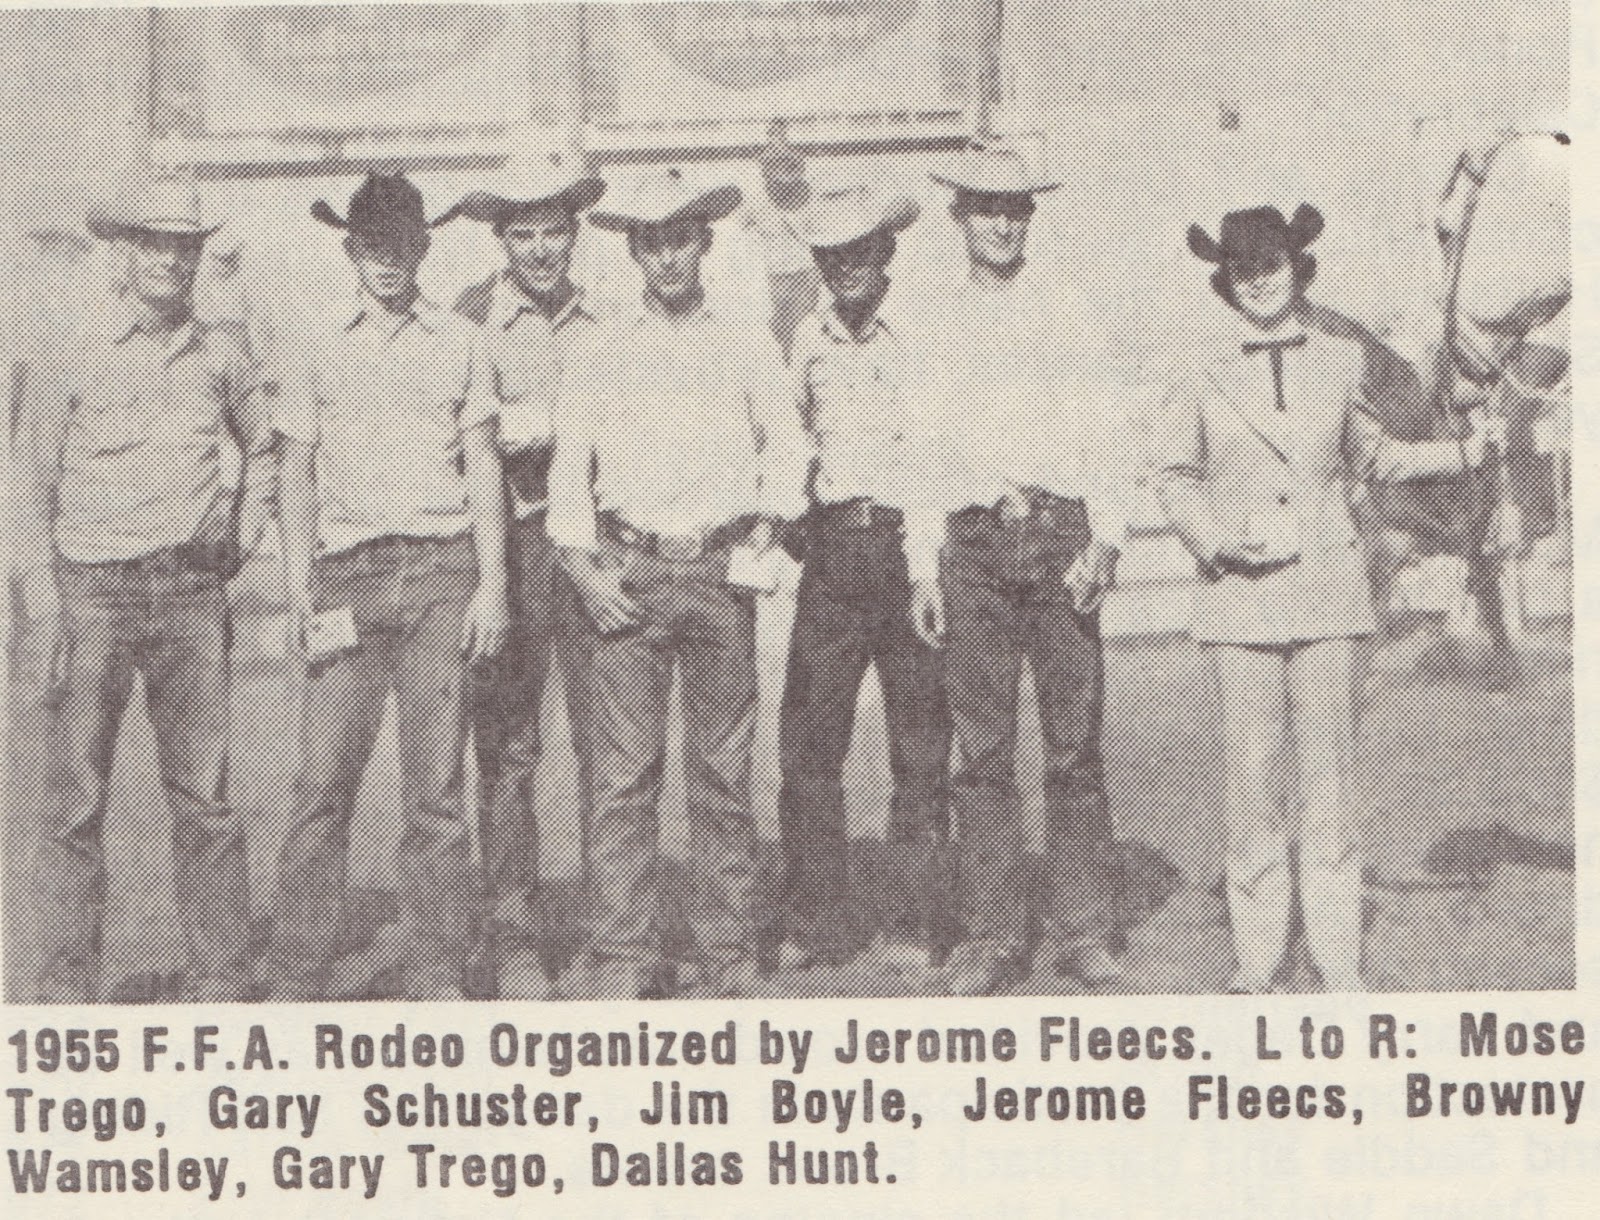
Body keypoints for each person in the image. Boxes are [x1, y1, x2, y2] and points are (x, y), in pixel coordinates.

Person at [1157, 203, 1500, 992]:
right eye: (1243, 270)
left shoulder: (1342, 359)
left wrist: (1462, 451)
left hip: (1328, 599)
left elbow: (1375, 458)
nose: (1259, 281)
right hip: (1238, 601)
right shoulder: (1198, 368)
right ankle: (1258, 961)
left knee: (1331, 789)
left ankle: (1339, 962)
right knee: (1250, 788)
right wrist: (1213, 540)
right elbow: (1173, 476)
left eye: (1271, 265)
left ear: (1295, 269)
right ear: (1226, 281)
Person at [548, 167, 809, 999]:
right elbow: (568, 473)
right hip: (627, 575)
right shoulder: (599, 346)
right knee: (624, 781)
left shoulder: (743, 338)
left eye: (680, 239)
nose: (666, 257)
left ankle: (727, 951)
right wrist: (586, 571)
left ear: (703, 243)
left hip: (716, 575)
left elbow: (786, 442)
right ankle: (624, 956)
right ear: (633, 250)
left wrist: (767, 524)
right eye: (651, 242)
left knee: (724, 776)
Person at [13, 176, 273, 1002]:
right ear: (123, 253)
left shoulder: (223, 352)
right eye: (156, 244)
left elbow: (265, 449)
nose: (171, 260)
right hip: (89, 595)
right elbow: (28, 481)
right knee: (75, 805)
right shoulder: (71, 347)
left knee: (206, 799)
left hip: (191, 597)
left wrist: (242, 527)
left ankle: (220, 978)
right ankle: (64, 992)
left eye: (186, 246)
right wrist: (44, 606)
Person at [265, 172, 508, 1001]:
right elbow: (294, 470)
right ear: (351, 252)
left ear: (424, 250)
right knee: (321, 784)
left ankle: (438, 966)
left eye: (402, 247)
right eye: (372, 248)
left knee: (436, 791)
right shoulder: (313, 342)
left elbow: (482, 464)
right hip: (345, 579)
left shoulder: (462, 340)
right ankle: (299, 965)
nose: (388, 264)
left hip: (443, 573)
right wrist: (298, 587)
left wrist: (495, 587)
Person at [904, 141, 1130, 996]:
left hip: (1060, 537)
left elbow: (1111, 433)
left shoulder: (1069, 310)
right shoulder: (933, 319)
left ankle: (1083, 933)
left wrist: (1106, 539)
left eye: (1015, 209)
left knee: (1074, 750)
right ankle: (992, 936)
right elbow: (917, 453)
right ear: (959, 219)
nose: (1001, 223)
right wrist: (924, 567)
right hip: (972, 548)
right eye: (985, 209)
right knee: (981, 751)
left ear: (1029, 218)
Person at [776, 184, 951, 975]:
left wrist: (926, 566)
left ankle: (915, 920)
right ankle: (816, 918)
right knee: (812, 744)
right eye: (832, 254)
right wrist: (781, 518)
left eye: (862, 251)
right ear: (820, 262)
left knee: (920, 741)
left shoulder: (921, 336)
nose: (848, 267)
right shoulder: (804, 340)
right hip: (832, 554)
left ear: (886, 254)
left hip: (909, 550)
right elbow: (790, 439)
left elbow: (937, 452)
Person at [451, 154, 608, 1000]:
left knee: (603, 743)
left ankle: (598, 926)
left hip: (587, 550)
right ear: (500, 239)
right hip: (505, 547)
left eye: (554, 231)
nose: (541, 249)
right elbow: (459, 438)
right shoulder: (466, 321)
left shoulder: (608, 323)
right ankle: (512, 932)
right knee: (509, 746)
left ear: (574, 233)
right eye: (523, 233)